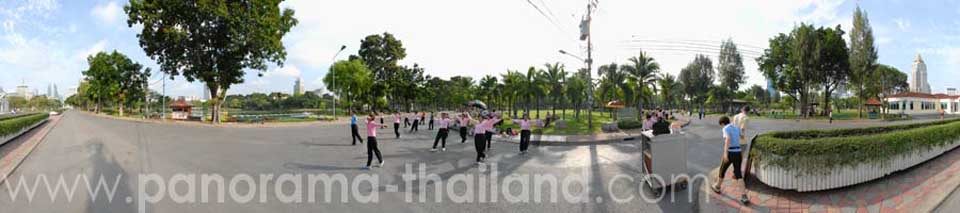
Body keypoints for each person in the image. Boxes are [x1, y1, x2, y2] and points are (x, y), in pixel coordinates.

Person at [712, 116, 749, 204]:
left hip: (730, 152)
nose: (722, 127)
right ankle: (744, 196)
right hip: (738, 152)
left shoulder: (726, 128)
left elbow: (727, 139)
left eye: (721, 125)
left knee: (722, 170)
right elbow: (742, 136)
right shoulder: (736, 127)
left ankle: (717, 187)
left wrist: (725, 153)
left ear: (722, 123)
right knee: (738, 173)